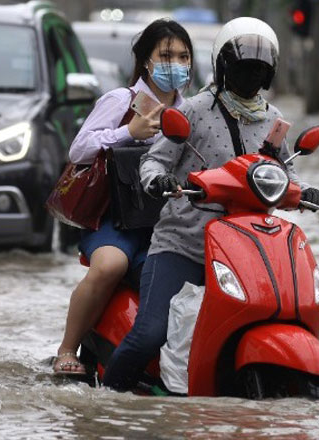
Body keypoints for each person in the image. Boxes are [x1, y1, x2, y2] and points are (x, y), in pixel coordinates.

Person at [102, 17, 319, 391]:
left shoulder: (273, 121)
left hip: (248, 251)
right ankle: (108, 401)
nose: (252, 75)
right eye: (244, 67)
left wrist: (305, 192)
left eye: (259, 69)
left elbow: (283, 173)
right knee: (149, 335)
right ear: (224, 67)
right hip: (184, 245)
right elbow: (154, 160)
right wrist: (159, 180)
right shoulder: (194, 110)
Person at [53, 19, 194, 375]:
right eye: (166, 56)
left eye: (183, 56)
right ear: (146, 60)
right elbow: (78, 150)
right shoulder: (121, 100)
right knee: (110, 266)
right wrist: (127, 132)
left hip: (167, 224)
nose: (175, 64)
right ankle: (67, 349)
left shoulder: (192, 111)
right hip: (113, 219)